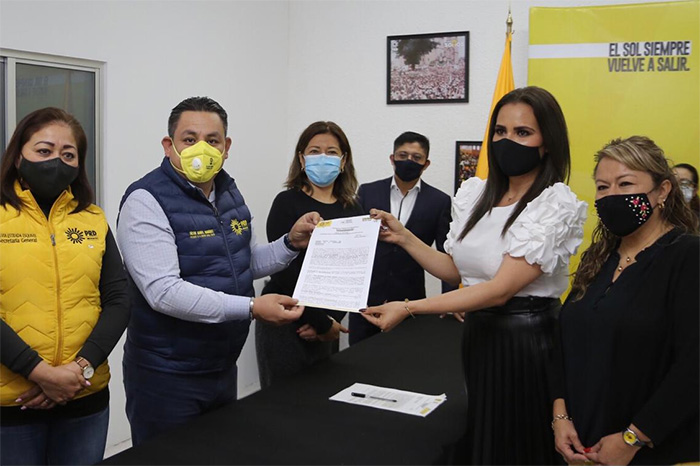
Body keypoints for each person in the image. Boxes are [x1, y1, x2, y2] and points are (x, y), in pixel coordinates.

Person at [363, 86, 587, 464]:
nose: (507, 141)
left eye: (522, 132)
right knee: (485, 438)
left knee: (518, 446)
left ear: (547, 142)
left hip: (526, 344)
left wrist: (409, 306)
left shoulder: (554, 202)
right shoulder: (477, 195)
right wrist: (403, 237)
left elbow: (499, 289)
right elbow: (458, 270)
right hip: (480, 337)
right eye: (500, 131)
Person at [116, 96, 319, 445]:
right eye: (189, 139)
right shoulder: (146, 200)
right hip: (167, 375)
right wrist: (252, 308)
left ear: (226, 148)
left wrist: (290, 243)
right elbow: (164, 292)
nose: (202, 149)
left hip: (221, 367)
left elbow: (244, 262)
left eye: (212, 140)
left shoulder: (228, 192)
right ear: (169, 146)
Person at [553, 136, 699, 465]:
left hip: (649, 452)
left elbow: (694, 366)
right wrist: (560, 419)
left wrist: (634, 438)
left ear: (662, 191)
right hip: (581, 447)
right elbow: (565, 343)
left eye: (626, 183)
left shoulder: (688, 257)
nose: (612, 196)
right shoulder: (599, 258)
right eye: (602, 187)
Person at [0, 107, 130, 465]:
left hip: (83, 398)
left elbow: (119, 299)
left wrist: (79, 370)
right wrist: (40, 373)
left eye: (68, 155)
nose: (56, 161)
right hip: (12, 406)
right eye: (44, 150)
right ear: (18, 156)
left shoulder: (93, 219)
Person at [255, 121, 364, 388]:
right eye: (314, 151)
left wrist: (332, 322)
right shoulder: (286, 203)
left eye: (331, 152)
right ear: (302, 159)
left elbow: (353, 273)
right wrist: (319, 322)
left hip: (329, 322)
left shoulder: (353, 208)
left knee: (324, 398)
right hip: (286, 317)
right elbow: (284, 271)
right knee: (283, 401)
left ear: (343, 160)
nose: (323, 158)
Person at [349, 131, 453, 345]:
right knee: (358, 358)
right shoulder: (368, 192)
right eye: (403, 155)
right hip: (366, 300)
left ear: (426, 164)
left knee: (406, 359)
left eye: (416, 157)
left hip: (410, 301)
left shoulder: (439, 201)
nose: (408, 161)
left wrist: (450, 301)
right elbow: (353, 244)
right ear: (392, 158)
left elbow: (445, 254)